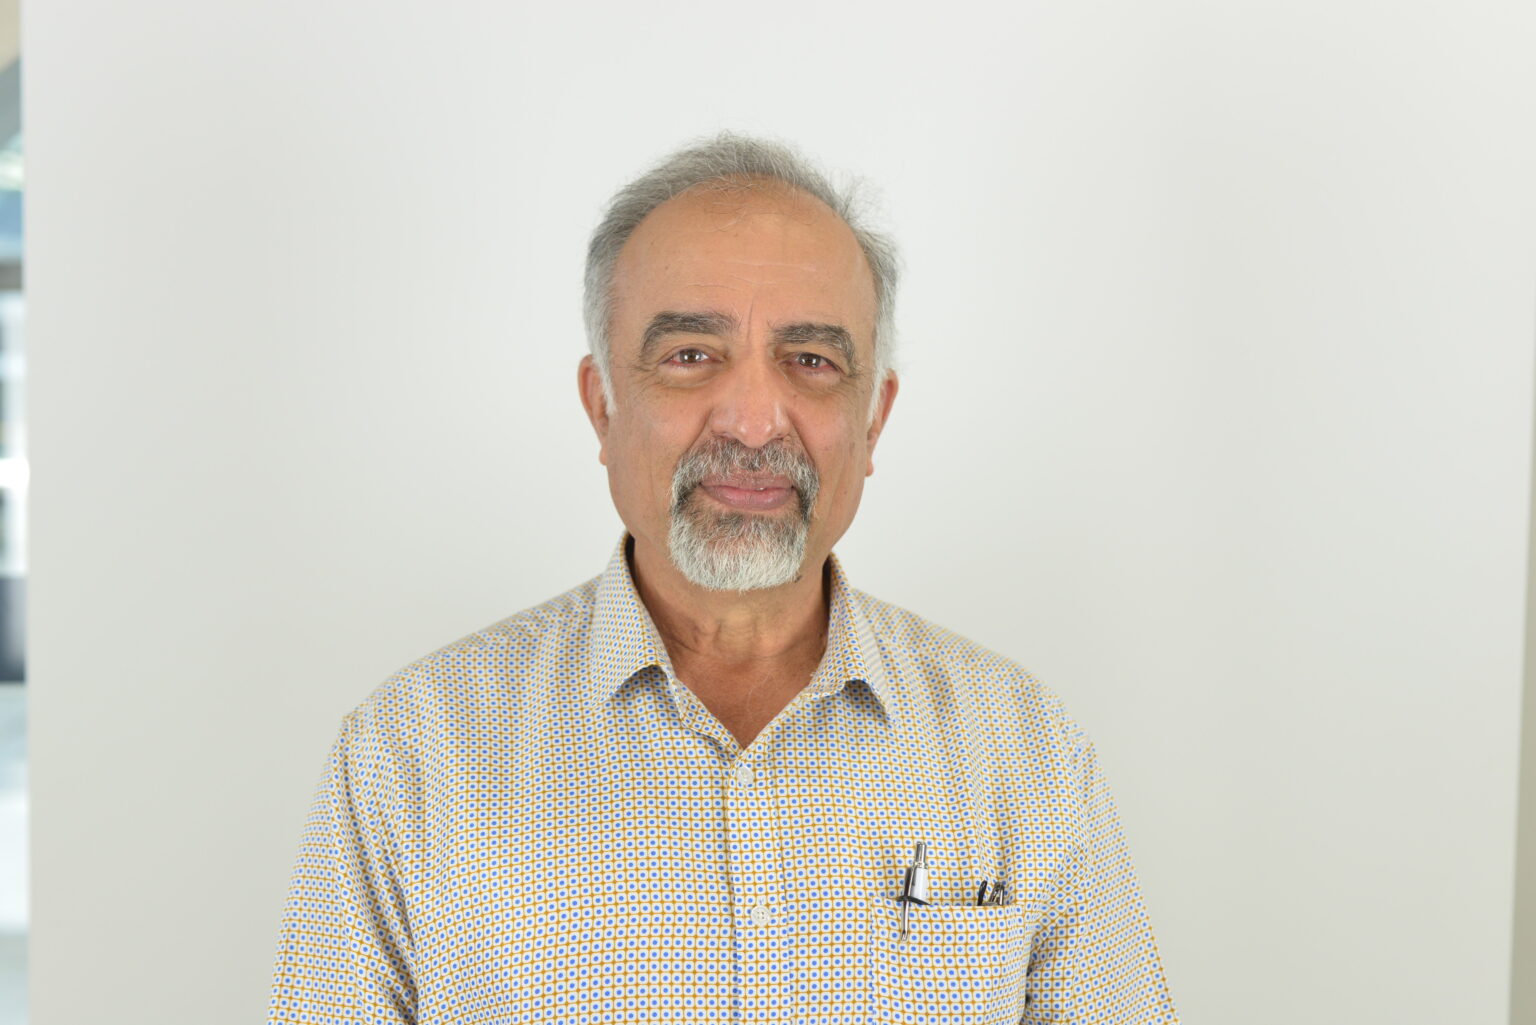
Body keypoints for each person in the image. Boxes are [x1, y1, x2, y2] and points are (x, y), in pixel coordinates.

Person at [266, 132, 1179, 1024]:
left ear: (874, 419)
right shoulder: (409, 757)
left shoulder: (1028, 752)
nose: (751, 419)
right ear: (602, 405)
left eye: (812, 361)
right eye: (691, 355)